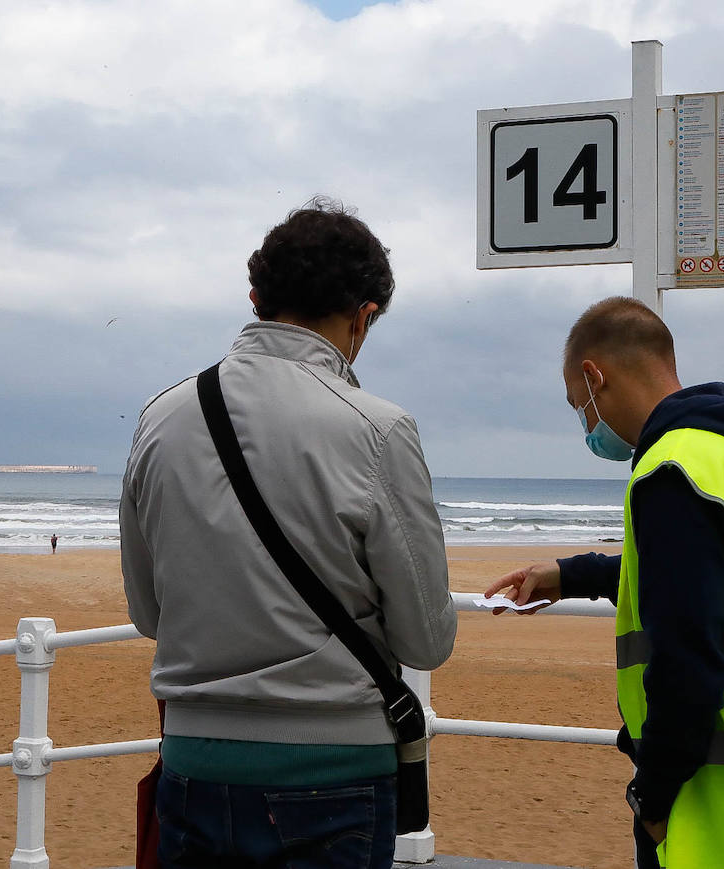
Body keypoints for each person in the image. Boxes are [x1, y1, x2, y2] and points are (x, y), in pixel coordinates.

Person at [485, 296, 724, 869]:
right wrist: (570, 576)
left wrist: (653, 795)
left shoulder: (672, 470)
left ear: (595, 376)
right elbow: (719, 579)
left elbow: (688, 661)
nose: (588, 426)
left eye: (580, 405)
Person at [122, 198, 457, 869]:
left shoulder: (161, 417)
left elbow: (148, 612)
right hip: (334, 771)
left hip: (193, 764)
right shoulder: (377, 429)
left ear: (256, 298)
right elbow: (426, 637)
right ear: (364, 317)